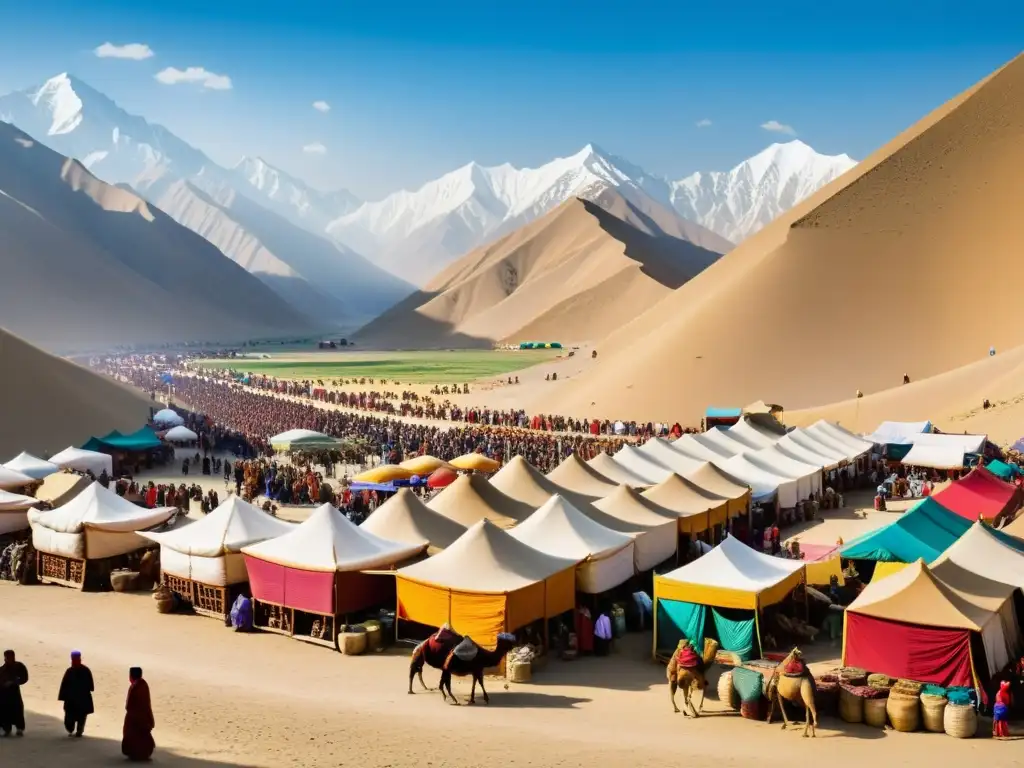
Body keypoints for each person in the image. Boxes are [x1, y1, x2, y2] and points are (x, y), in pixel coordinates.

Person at [122, 667, 155, 761]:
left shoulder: (136, 687)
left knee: (134, 735)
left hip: (136, 718)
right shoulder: (143, 685)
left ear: (131, 676)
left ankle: (136, 753)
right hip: (142, 717)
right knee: (141, 735)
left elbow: (130, 705)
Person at [58, 651, 94, 737]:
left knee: (81, 717)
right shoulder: (71, 671)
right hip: (73, 699)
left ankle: (79, 731)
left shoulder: (83, 670)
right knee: (70, 719)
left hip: (81, 699)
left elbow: (90, 686)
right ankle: (74, 729)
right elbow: (64, 685)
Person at [0, 650, 29, 737]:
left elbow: (24, 677)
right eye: (7, 657)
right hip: (3, 694)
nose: (8, 659)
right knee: (4, 712)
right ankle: (6, 729)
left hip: (14, 693)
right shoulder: (2, 669)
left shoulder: (19, 666)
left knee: (17, 710)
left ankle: (19, 729)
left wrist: (14, 682)